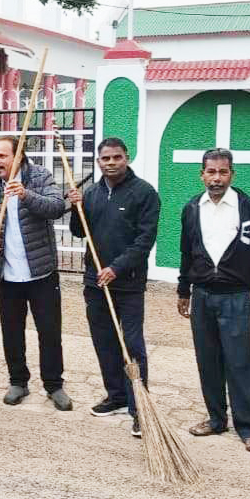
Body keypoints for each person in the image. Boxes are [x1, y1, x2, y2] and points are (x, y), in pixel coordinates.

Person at [177, 148, 250, 453]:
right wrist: (183, 290)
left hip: (236, 297)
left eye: (222, 172)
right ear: (202, 174)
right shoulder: (192, 208)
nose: (216, 178)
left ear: (232, 173)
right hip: (203, 296)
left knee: (239, 363)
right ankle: (216, 418)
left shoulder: (247, 207)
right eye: (211, 172)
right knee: (208, 362)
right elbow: (186, 253)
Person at [68, 137, 160, 436]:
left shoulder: (144, 193)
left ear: (126, 158)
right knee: (104, 341)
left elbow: (144, 241)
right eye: (105, 158)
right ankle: (117, 396)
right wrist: (75, 207)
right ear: (98, 161)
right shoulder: (92, 193)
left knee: (132, 345)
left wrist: (116, 268)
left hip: (128, 283)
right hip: (94, 281)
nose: (110, 163)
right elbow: (79, 232)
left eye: (116, 158)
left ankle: (138, 407)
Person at [0, 135, 71, 411]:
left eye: (1, 156)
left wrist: (25, 194)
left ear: (18, 156)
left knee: (49, 332)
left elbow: (56, 208)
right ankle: (18, 381)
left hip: (41, 272)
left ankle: (54, 385)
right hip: (7, 273)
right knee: (12, 331)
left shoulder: (39, 176)